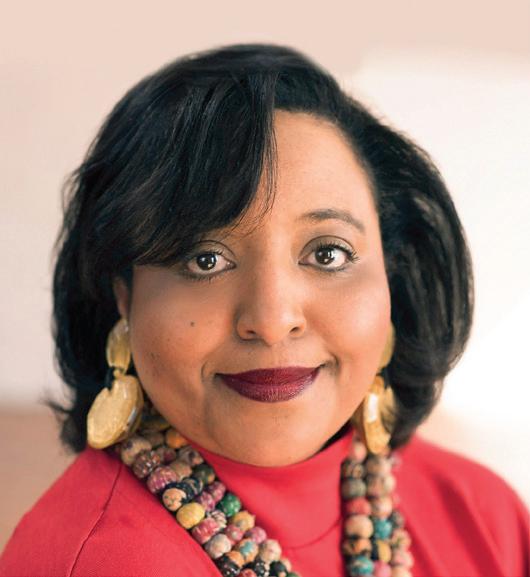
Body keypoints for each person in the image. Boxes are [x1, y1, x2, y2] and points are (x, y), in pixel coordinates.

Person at [0, 43, 528, 577]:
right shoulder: (103, 561)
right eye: (206, 260)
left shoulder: (484, 516)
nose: (273, 320)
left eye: (328, 254)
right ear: (124, 294)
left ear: (391, 276)